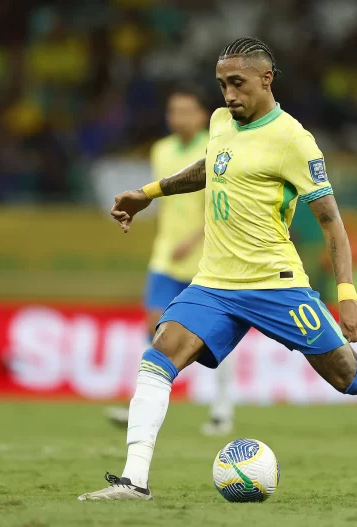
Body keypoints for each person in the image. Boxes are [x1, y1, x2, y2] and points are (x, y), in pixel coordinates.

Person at [78, 37, 357, 501]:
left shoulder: (293, 140)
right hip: (215, 281)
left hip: (276, 284)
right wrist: (149, 192)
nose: (228, 95)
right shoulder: (219, 120)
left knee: (352, 378)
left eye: (237, 83)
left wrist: (347, 295)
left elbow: (331, 223)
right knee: (159, 355)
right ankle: (135, 481)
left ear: (265, 79)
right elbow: (213, 166)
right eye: (221, 85)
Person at [103, 84, 236, 437]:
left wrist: (193, 239)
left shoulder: (219, 144)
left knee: (212, 336)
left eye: (186, 111)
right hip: (166, 255)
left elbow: (223, 203)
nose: (179, 118)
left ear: (201, 115)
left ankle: (222, 406)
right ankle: (144, 402)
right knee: (154, 325)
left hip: (206, 256)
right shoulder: (161, 150)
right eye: (173, 111)